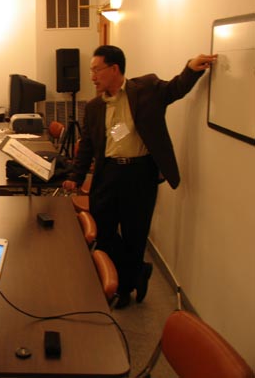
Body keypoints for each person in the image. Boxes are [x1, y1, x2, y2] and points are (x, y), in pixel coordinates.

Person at [63, 45, 217, 308]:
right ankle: (138, 270)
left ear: (114, 69)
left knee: (135, 233)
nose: (92, 77)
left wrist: (191, 69)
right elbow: (87, 144)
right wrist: (76, 176)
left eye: (97, 70)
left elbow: (175, 89)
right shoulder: (94, 107)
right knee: (103, 230)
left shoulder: (146, 89)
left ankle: (124, 289)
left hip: (139, 174)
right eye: (91, 71)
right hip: (108, 173)